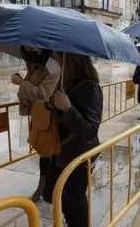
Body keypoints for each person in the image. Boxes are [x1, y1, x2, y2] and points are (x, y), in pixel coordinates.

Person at [42, 52, 103, 227]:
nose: (55, 61)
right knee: (50, 193)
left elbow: (90, 130)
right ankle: (72, 221)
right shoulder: (65, 82)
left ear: (72, 60)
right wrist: (51, 104)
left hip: (80, 155)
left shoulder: (90, 87)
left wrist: (67, 108)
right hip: (60, 151)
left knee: (75, 199)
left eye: (59, 58)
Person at [11, 46, 60, 202]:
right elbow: (31, 89)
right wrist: (23, 81)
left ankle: (50, 189)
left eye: (33, 43)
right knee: (44, 153)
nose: (28, 46)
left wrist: (21, 83)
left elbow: (43, 94)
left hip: (51, 118)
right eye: (25, 43)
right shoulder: (33, 62)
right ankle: (44, 186)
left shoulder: (52, 64)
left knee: (50, 153)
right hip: (39, 116)